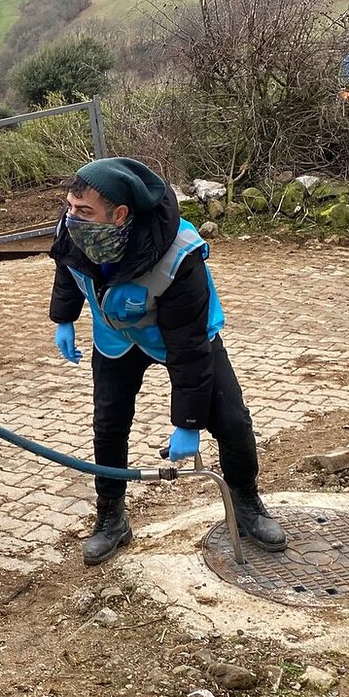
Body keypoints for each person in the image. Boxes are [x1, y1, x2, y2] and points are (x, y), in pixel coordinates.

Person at [49, 157, 286, 566]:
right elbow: (69, 267)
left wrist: (187, 424)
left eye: (84, 211)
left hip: (179, 337)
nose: (73, 217)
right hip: (116, 338)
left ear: (120, 214)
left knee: (231, 421)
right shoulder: (76, 228)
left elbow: (189, 350)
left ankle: (247, 502)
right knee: (108, 425)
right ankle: (111, 518)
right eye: (70, 206)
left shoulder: (180, 255)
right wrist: (64, 318)